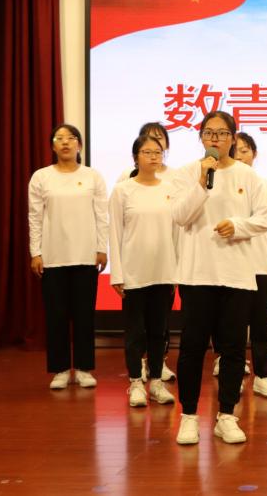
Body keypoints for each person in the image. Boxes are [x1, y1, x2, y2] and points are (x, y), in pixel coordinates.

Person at [171, 111, 267, 445]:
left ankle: (227, 415)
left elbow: (265, 219)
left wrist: (238, 226)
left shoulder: (249, 176)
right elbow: (180, 216)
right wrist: (202, 182)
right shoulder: (187, 173)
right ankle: (188, 416)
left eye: (222, 133)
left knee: (232, 349)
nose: (215, 139)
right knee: (192, 348)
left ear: (233, 138)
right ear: (201, 137)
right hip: (197, 274)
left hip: (237, 274)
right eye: (209, 133)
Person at [28, 124, 108, 390]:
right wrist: (36, 252)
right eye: (59, 138)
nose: (65, 142)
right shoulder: (41, 177)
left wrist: (102, 247)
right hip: (53, 256)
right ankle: (60, 369)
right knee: (56, 316)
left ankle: (84, 368)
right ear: (53, 146)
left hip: (86, 255)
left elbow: (102, 215)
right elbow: (35, 216)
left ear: (79, 145)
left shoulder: (92, 177)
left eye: (71, 138)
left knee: (84, 315)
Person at [108, 134, 178, 407]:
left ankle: (157, 382)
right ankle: (136, 382)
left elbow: (176, 232)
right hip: (134, 272)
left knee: (159, 330)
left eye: (158, 152)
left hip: (164, 270)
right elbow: (115, 233)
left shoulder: (170, 189)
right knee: (135, 331)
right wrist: (117, 274)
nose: (153, 156)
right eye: (147, 152)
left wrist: (178, 270)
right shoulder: (123, 190)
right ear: (136, 157)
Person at [231, 132, 267, 398]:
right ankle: (233, 376)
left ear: (254, 154)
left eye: (245, 150)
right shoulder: (221, 184)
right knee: (233, 326)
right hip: (233, 265)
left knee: (262, 325)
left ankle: (263, 375)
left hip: (262, 264)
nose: (241, 156)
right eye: (236, 151)